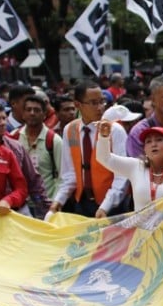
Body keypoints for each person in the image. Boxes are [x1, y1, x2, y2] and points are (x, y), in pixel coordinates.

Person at [49, 82, 129, 218]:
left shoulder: (114, 130)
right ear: (78, 105)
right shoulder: (71, 130)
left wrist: (106, 206)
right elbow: (69, 173)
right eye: (93, 103)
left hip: (112, 204)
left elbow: (122, 175)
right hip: (82, 203)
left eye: (102, 102)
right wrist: (59, 200)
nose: (100, 108)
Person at [96, 120, 163, 209]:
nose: (153, 144)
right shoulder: (135, 167)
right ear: (144, 150)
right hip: (139, 223)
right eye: (148, 141)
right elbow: (105, 158)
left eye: (159, 140)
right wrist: (103, 137)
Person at [13, 93, 63, 200]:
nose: (32, 113)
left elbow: (62, 176)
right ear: (23, 114)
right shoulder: (14, 137)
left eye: (36, 110)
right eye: (28, 110)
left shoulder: (54, 140)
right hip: (20, 204)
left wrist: (54, 202)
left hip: (46, 203)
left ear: (44, 114)